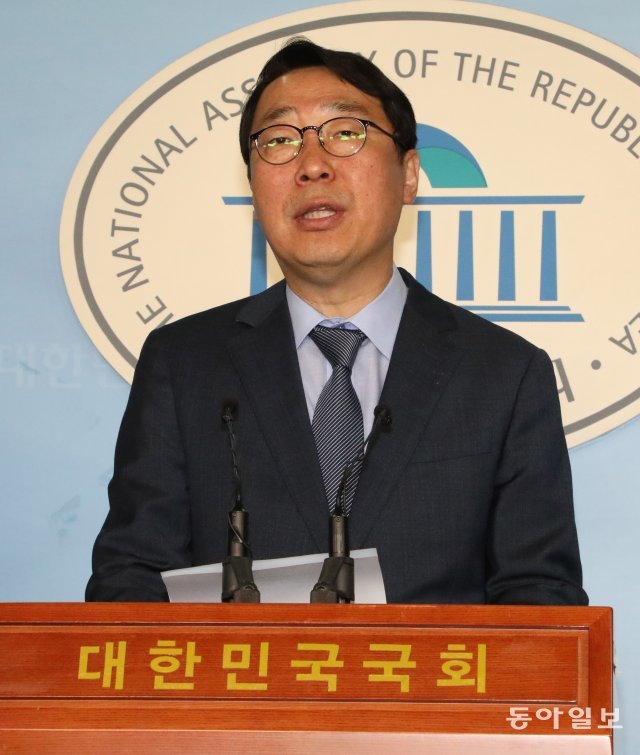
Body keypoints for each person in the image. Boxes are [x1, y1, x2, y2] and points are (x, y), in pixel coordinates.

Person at [86, 38, 588, 605]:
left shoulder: (503, 373)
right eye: (279, 141)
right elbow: (132, 579)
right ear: (252, 187)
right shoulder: (184, 364)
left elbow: (539, 595)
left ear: (409, 175)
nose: (312, 165)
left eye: (345, 132)